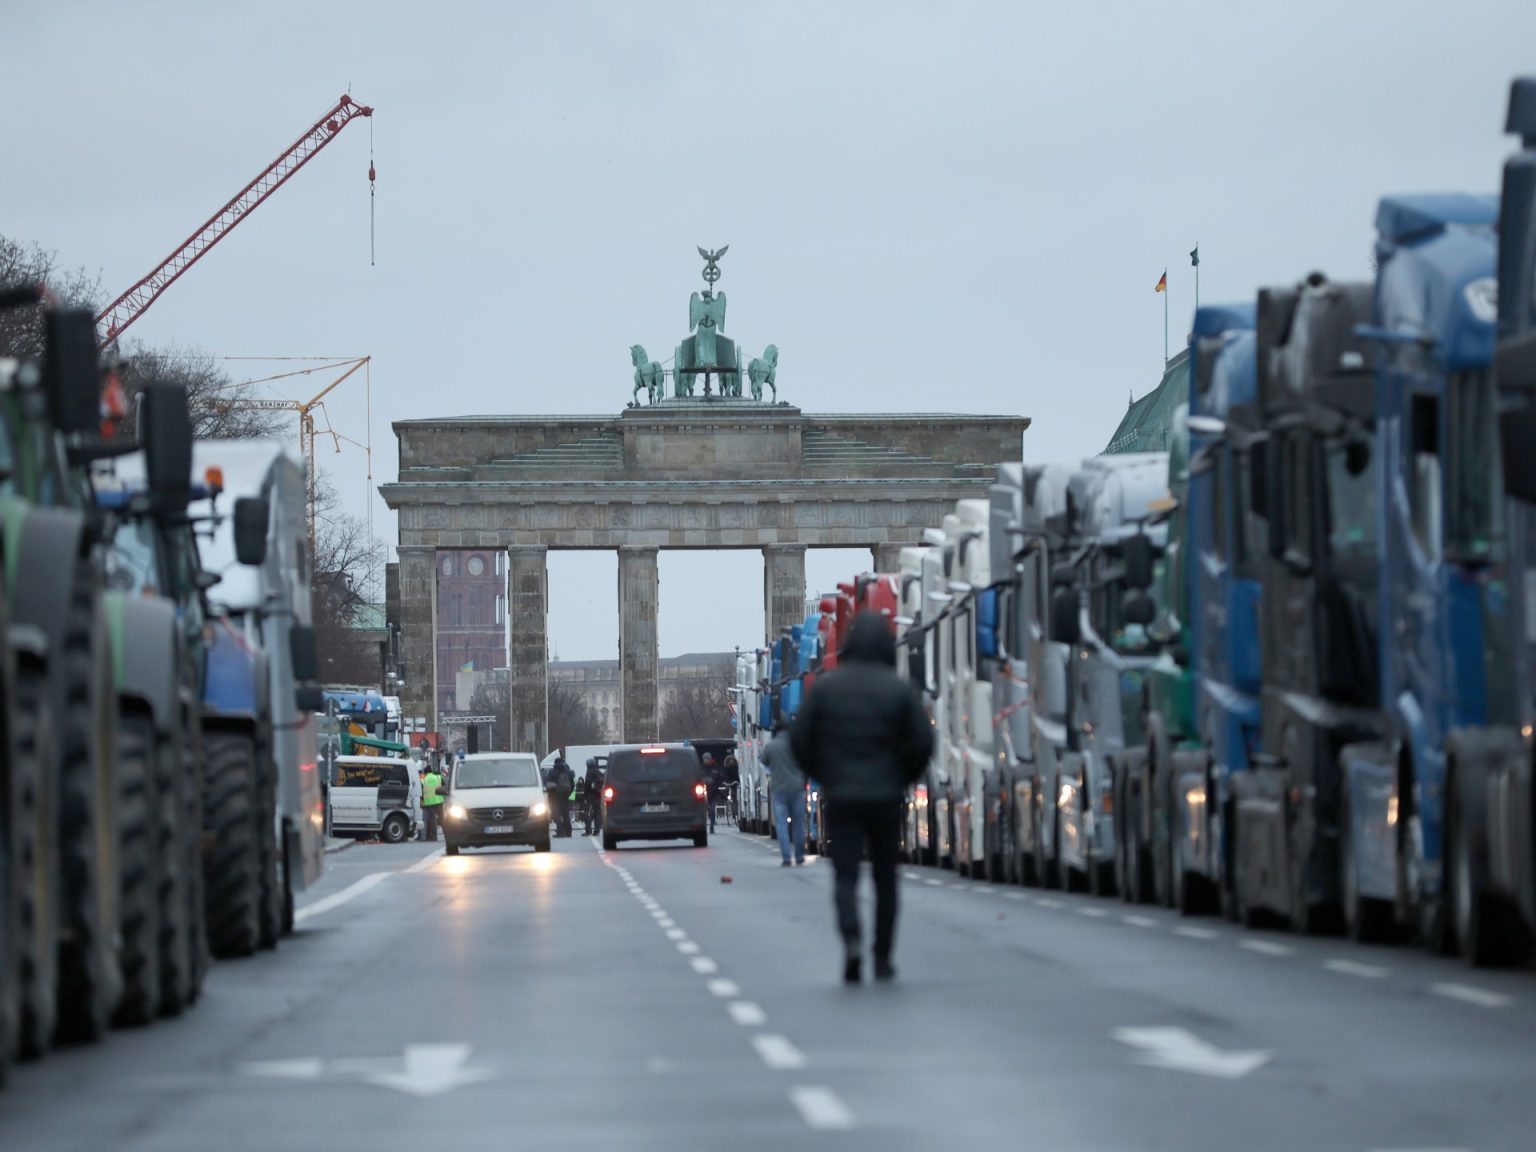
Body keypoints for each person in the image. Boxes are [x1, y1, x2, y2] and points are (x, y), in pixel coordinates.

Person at [791, 612, 933, 985]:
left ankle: (852, 940)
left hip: (841, 796)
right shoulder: (899, 689)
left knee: (846, 876)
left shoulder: (826, 689)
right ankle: (882, 955)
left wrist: (824, 775)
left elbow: (800, 740)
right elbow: (923, 742)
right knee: (886, 878)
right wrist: (902, 777)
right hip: (886, 796)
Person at [761, 721, 806, 867]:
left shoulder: (771, 746)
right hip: (797, 788)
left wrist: (773, 770)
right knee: (798, 824)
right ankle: (799, 855)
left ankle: (786, 857)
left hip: (779, 789)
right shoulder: (797, 745)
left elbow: (763, 763)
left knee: (781, 824)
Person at [548, 754, 575, 838]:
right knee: (565, 813)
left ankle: (560, 832)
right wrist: (569, 793)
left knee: (556, 814)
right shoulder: (567, 772)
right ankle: (568, 832)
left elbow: (548, 784)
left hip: (555, 795)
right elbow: (572, 784)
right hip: (565, 795)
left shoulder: (552, 772)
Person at [420, 759, 445, 843]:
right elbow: (444, 786)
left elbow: (421, 793)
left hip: (429, 803)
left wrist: (422, 801)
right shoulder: (438, 777)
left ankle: (434, 837)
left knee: (432, 820)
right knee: (442, 819)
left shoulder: (423, 780)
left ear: (425, 773)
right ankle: (447, 834)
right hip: (439, 801)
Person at [584, 757, 605, 836]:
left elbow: (587, 784)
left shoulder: (589, 772)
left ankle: (588, 830)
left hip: (590, 796)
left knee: (588, 813)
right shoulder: (598, 772)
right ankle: (597, 830)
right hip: (598, 796)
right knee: (597, 814)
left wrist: (585, 795)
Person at [701, 752, 722, 833]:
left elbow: (720, 778)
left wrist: (716, 785)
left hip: (713, 792)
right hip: (702, 793)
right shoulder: (701, 768)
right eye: (704, 759)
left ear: (710, 759)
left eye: (707, 759)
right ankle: (702, 826)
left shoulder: (715, 768)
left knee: (712, 810)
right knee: (703, 810)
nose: (705, 760)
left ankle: (712, 826)